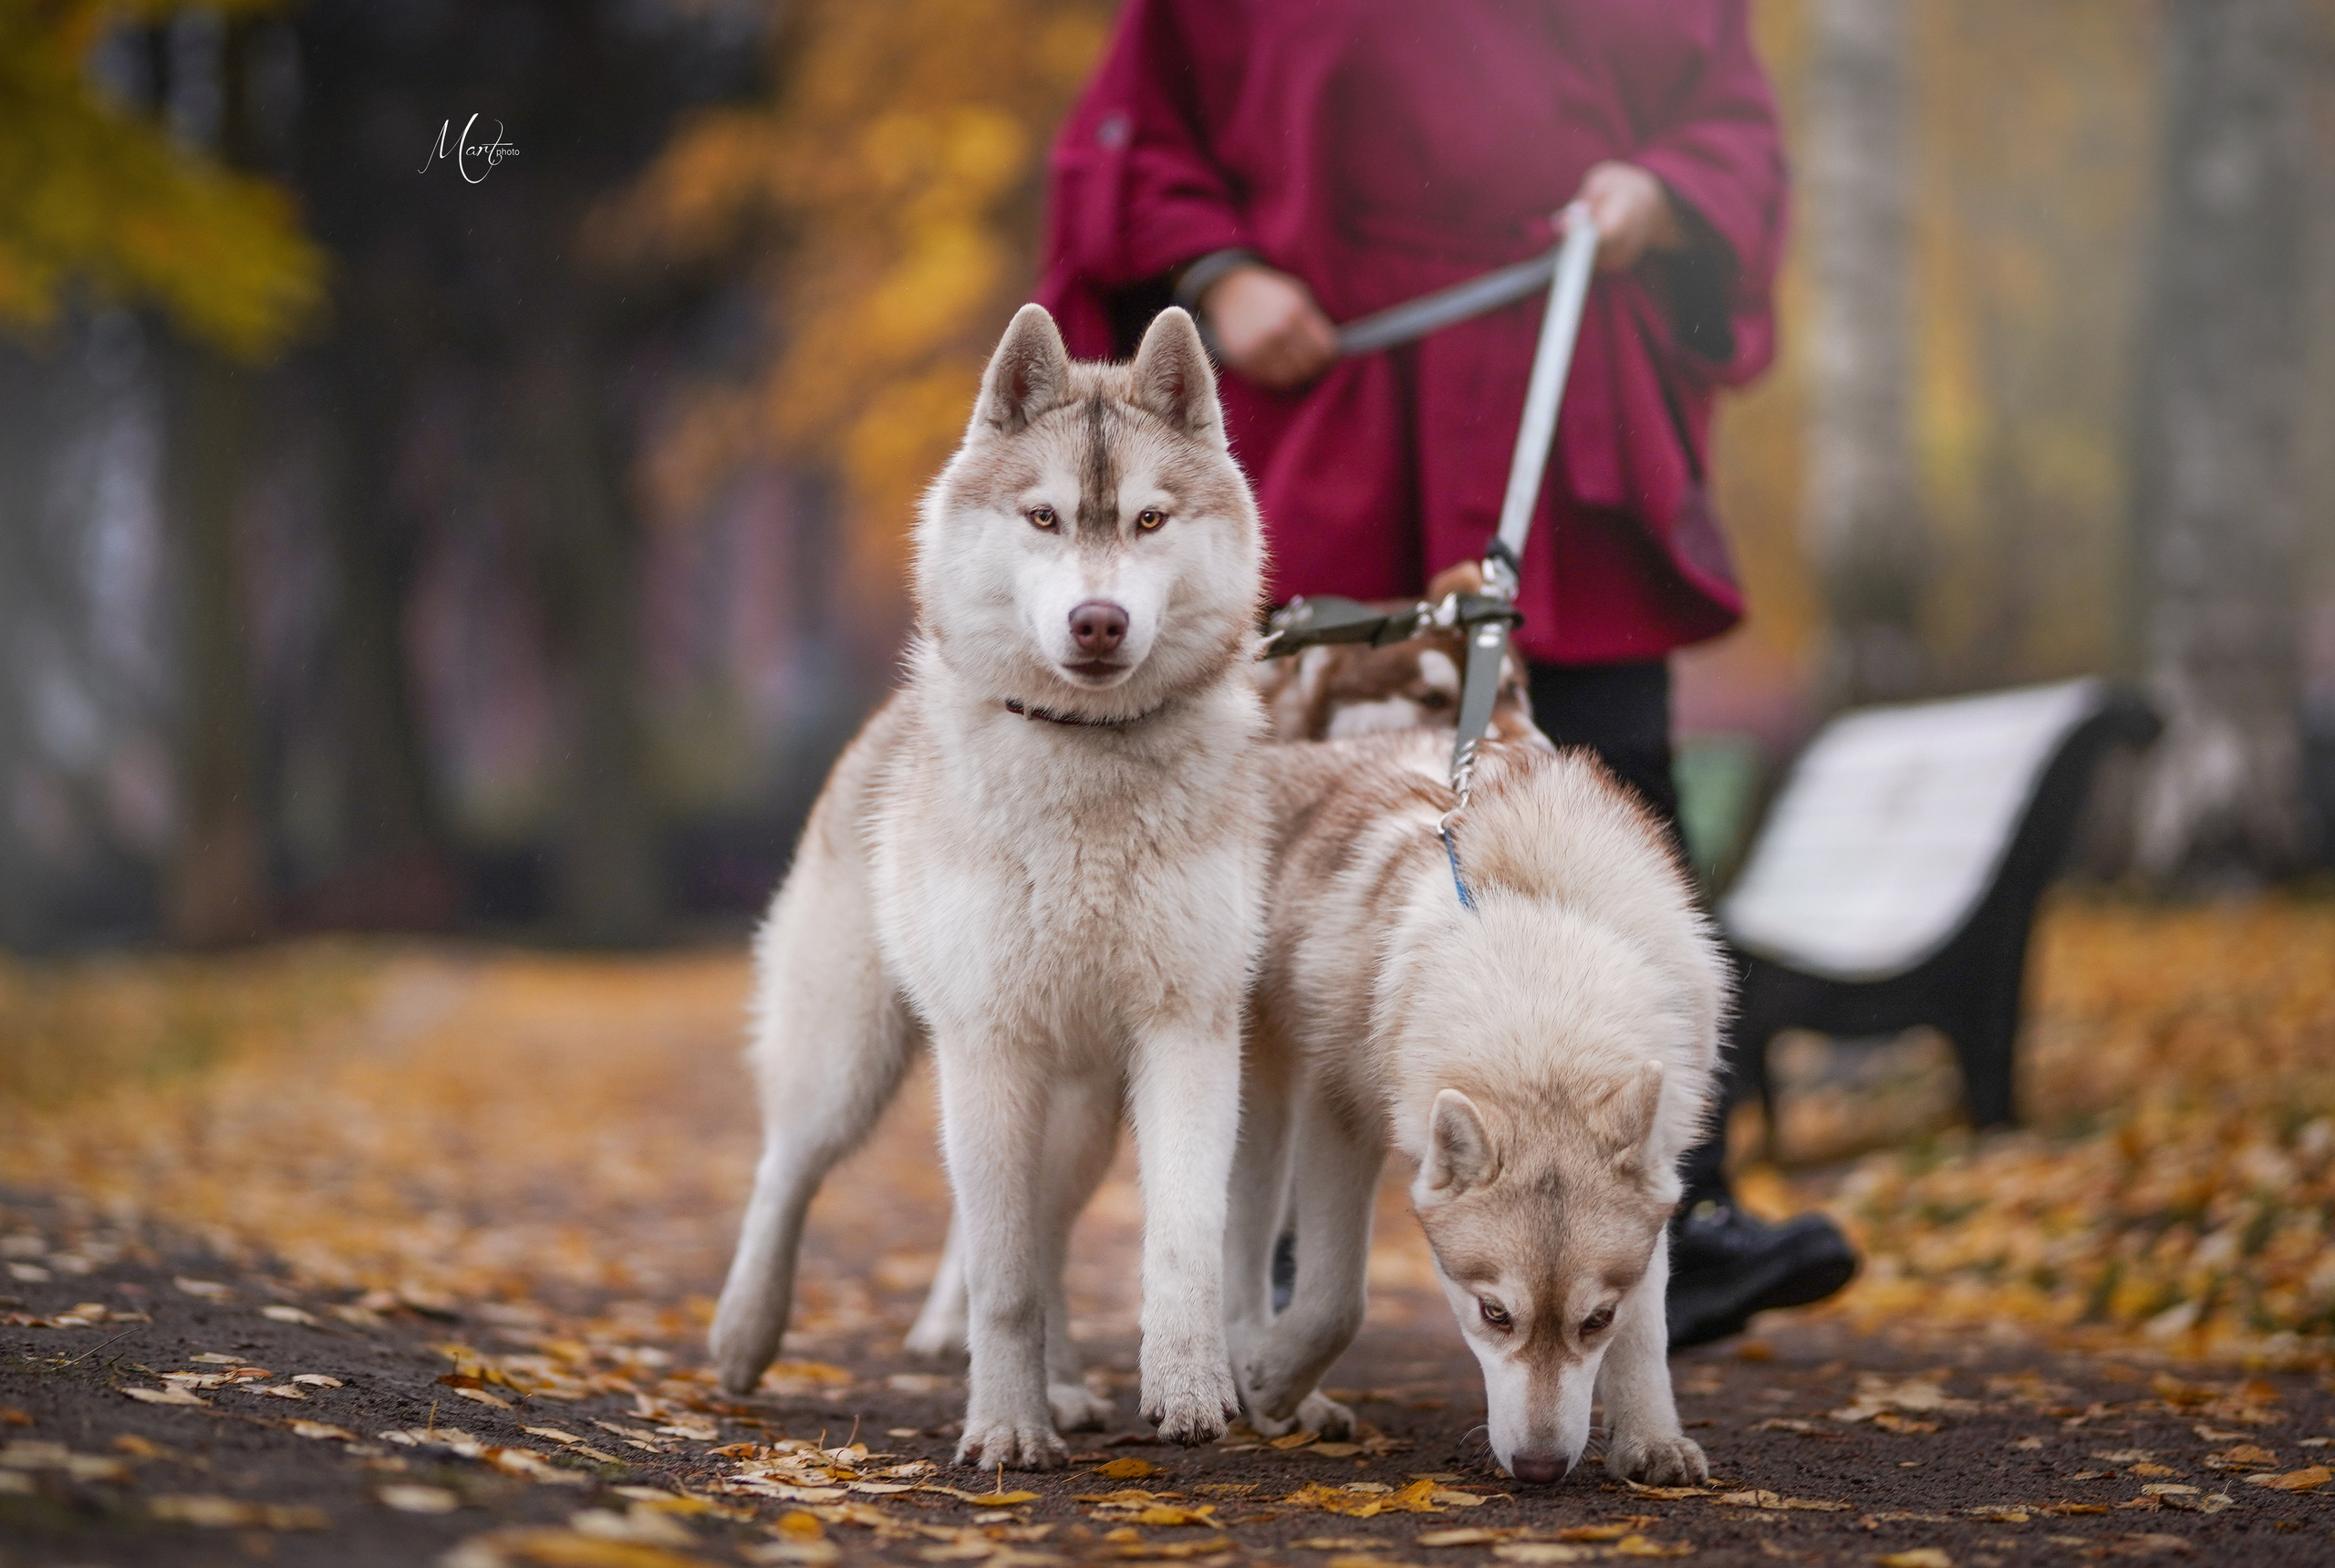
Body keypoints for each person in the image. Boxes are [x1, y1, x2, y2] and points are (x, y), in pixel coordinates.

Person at [1033, 0, 1856, 1349]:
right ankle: (1275, 1233)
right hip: (1323, 405)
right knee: (1295, 821)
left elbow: (1731, 127)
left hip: (1556, 382)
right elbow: (1135, 142)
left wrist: (1668, 189)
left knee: (1607, 798)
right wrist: (1221, 269)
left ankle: (1666, 1212)